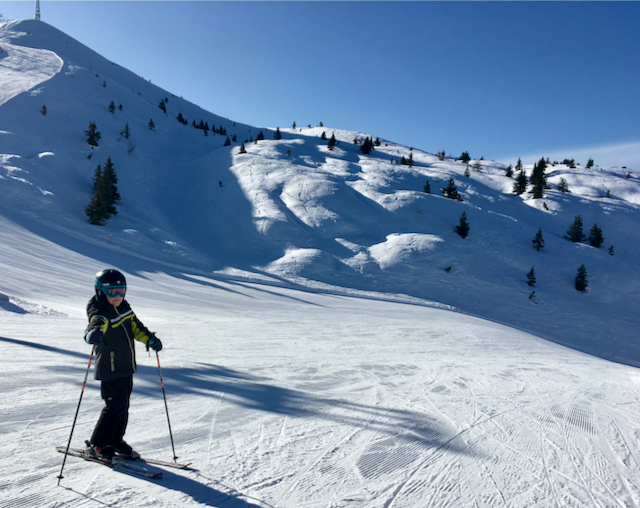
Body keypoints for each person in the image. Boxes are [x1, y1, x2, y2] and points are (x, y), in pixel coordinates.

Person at [84, 269, 162, 460]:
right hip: (110, 368)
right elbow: (95, 324)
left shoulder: (124, 307)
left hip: (125, 366)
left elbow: (136, 327)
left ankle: (115, 440)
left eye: (121, 290)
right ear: (100, 291)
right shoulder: (100, 311)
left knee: (123, 406)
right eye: (112, 291)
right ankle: (98, 444)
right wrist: (92, 334)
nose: (118, 296)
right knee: (114, 407)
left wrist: (150, 339)